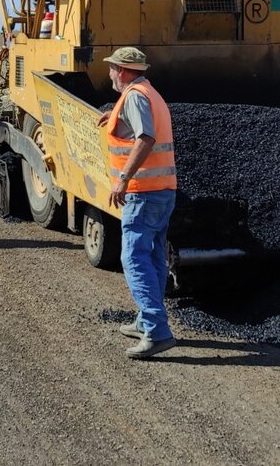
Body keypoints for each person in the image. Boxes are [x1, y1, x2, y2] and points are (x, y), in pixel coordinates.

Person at [97, 46, 177, 359]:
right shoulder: (148, 92)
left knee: (134, 258)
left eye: (113, 68)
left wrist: (123, 179)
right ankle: (146, 321)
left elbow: (146, 137)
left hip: (143, 191)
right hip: (162, 189)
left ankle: (157, 332)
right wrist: (114, 118)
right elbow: (138, 128)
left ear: (125, 70)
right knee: (154, 255)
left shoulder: (134, 96)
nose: (110, 74)